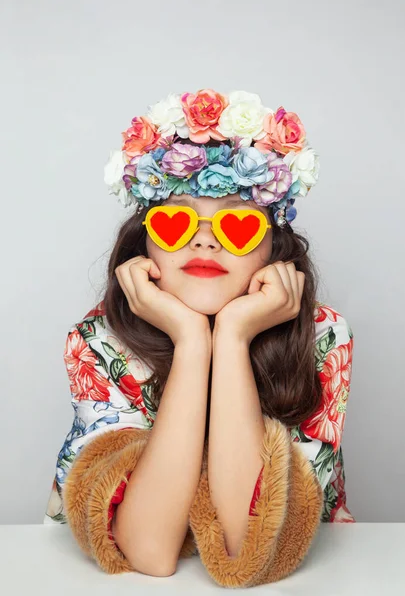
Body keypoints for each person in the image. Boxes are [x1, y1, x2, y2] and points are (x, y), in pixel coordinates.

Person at [44, 89, 355, 588]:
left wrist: (231, 338)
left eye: (236, 224)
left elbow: (249, 549)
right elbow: (147, 552)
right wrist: (192, 341)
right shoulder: (100, 340)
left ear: (273, 249)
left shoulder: (320, 334)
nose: (203, 240)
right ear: (144, 245)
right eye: (176, 222)